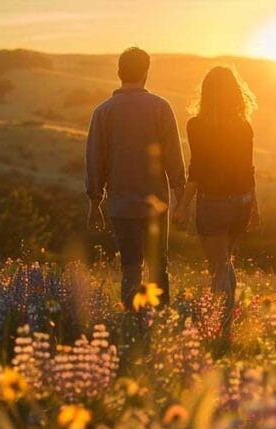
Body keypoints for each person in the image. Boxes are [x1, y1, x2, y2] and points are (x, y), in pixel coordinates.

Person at [85, 47, 185, 310]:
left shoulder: (103, 112)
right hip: (156, 204)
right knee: (157, 265)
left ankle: (132, 319)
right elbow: (173, 157)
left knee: (130, 265)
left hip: (120, 204)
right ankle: (160, 320)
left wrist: (94, 202)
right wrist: (180, 197)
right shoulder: (161, 107)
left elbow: (95, 160)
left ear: (119, 72)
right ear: (146, 72)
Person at [172, 66, 260, 331]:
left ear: (206, 93)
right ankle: (226, 320)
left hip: (214, 202)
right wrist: (255, 206)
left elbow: (197, 168)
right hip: (241, 201)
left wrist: (183, 205)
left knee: (219, 265)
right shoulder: (244, 126)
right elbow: (249, 169)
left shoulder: (197, 125)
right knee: (226, 261)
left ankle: (221, 327)